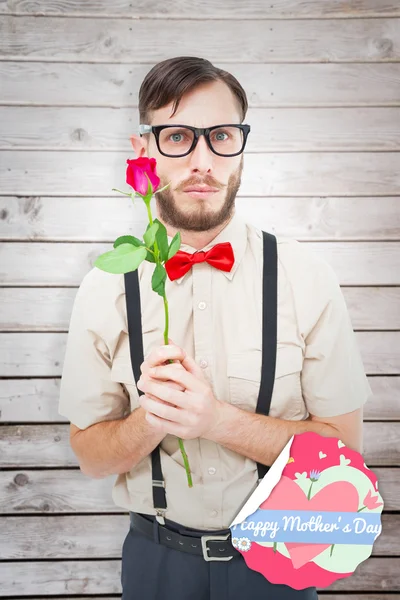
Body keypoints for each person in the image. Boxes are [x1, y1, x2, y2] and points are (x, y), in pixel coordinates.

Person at [58, 56, 372, 599]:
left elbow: (342, 450)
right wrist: (148, 422)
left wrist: (215, 420)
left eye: (221, 136)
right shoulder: (104, 288)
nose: (202, 161)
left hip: (281, 560)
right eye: (177, 136)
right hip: (156, 563)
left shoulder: (307, 277)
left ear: (241, 150)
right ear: (143, 151)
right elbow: (89, 454)